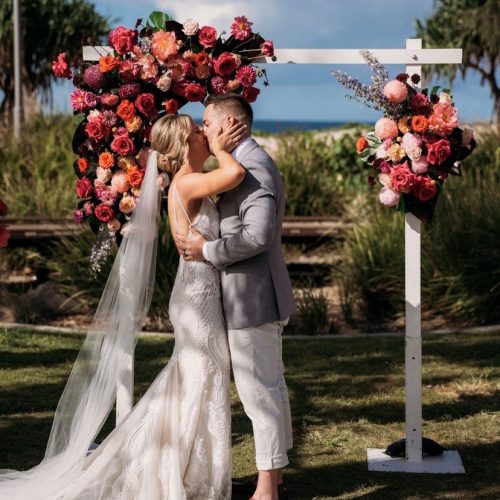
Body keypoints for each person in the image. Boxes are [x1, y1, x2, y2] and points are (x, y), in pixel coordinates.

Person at [0, 113, 247, 499]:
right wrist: (221, 149)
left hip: (199, 294)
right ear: (185, 145)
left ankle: (189, 464)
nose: (205, 132)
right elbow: (234, 174)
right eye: (199, 132)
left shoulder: (190, 182)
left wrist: (215, 149)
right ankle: (181, 467)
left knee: (198, 378)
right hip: (197, 299)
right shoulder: (188, 183)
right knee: (202, 376)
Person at [176, 93, 295, 500]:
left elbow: (258, 236)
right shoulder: (242, 164)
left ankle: (266, 489)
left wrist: (207, 251)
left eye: (207, 123)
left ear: (228, 124)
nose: (204, 130)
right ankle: (274, 477)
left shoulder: (255, 168)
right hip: (255, 295)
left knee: (258, 394)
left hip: (253, 297)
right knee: (271, 387)